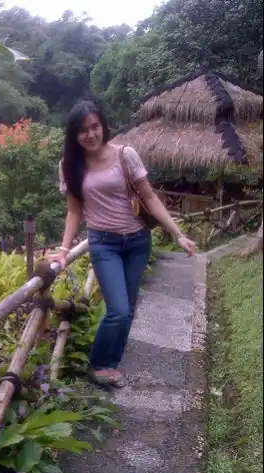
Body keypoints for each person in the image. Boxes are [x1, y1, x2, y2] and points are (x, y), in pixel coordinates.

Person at [47, 100, 196, 388]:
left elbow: (150, 197)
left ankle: (111, 363)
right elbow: (74, 211)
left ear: (103, 125)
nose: (91, 134)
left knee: (128, 307)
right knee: (118, 309)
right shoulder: (69, 166)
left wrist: (178, 233)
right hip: (104, 244)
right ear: (73, 134)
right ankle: (98, 364)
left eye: (95, 127)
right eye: (83, 130)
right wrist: (64, 251)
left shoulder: (125, 155)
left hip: (138, 241)